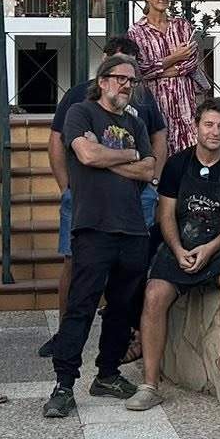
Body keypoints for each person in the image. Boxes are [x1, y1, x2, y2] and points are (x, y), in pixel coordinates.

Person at [127, 97, 220, 411]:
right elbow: (166, 215)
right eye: (209, 124)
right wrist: (177, 249)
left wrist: (210, 248)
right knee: (154, 293)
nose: (215, 132)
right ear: (196, 126)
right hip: (183, 241)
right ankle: (150, 384)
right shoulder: (176, 165)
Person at [43, 36, 167, 359]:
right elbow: (62, 144)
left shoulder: (143, 100)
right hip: (84, 200)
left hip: (135, 201)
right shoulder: (78, 100)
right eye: (117, 66)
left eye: (131, 71)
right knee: (75, 265)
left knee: (130, 276)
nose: (126, 80)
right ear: (103, 67)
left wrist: (150, 178)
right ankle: (65, 337)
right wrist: (66, 186)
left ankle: (125, 341)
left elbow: (156, 143)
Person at [128, 0, 206, 167]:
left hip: (186, 108)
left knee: (189, 161)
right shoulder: (136, 32)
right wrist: (175, 57)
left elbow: (191, 63)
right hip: (156, 106)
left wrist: (159, 69)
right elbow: (140, 70)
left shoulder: (183, 26)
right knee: (159, 159)